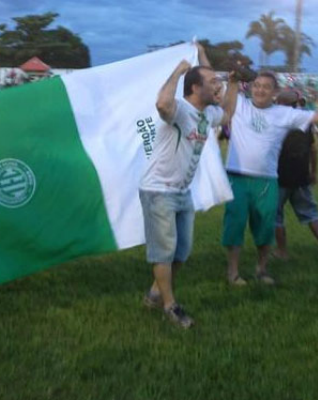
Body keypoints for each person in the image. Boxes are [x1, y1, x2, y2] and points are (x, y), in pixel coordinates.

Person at [221, 72, 318, 286]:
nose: (260, 90)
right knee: (234, 226)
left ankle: (262, 269)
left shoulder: (284, 114)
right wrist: (232, 81)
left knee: (265, 229)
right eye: (257, 86)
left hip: (266, 180)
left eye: (266, 87)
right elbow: (223, 100)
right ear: (251, 88)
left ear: (275, 92)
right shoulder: (239, 105)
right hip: (237, 177)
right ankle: (232, 272)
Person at [140, 43, 237, 328]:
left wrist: (234, 84)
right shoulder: (180, 110)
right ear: (195, 87)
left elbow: (228, 114)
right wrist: (177, 72)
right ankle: (170, 306)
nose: (217, 86)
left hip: (182, 192)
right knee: (164, 250)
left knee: (182, 251)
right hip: (158, 189)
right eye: (212, 82)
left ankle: (155, 293)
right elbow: (162, 104)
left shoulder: (209, 113)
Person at [273, 91, 318, 264]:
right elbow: (313, 149)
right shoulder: (305, 122)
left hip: (279, 175)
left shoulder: (275, 121)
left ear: (279, 102)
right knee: (310, 212)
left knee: (276, 215)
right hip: (301, 174)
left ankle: (282, 251)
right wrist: (314, 172)